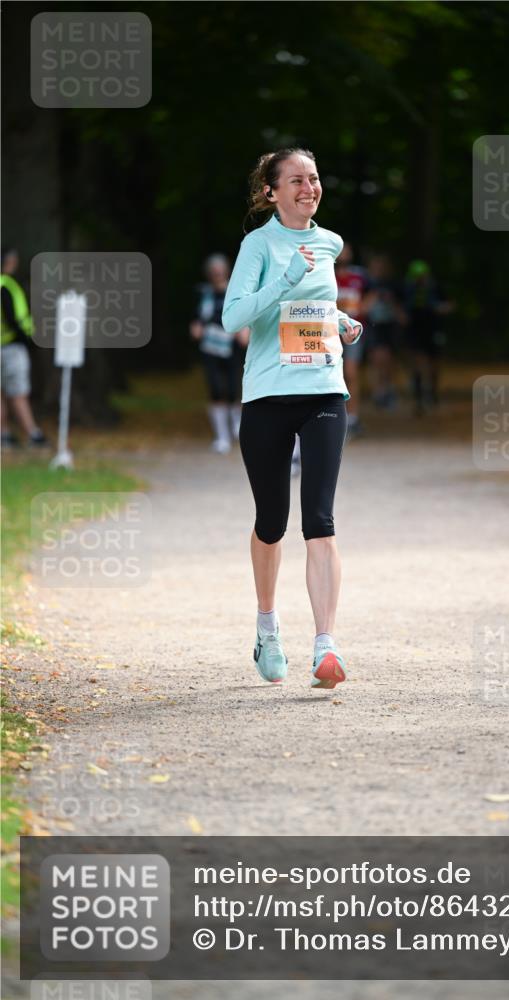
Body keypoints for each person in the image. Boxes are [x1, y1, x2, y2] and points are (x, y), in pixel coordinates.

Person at [222, 148, 363, 689]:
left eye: (315, 178)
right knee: (272, 521)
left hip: (324, 388)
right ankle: (267, 627)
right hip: (267, 395)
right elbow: (235, 315)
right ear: (271, 192)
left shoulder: (329, 243)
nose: (309, 187)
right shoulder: (257, 246)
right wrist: (282, 280)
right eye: (297, 180)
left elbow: (314, 309)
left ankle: (326, 647)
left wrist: (343, 322)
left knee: (320, 521)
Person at [190, 254, 249, 453]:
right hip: (210, 348)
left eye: (220, 271)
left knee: (234, 389)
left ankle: (237, 428)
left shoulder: (236, 293)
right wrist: (196, 327)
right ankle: (221, 436)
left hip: (231, 347)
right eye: (213, 272)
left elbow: (245, 315)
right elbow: (196, 318)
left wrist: (245, 329)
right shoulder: (203, 294)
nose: (217, 275)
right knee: (216, 389)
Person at [1, 248, 48, 449]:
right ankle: (32, 434)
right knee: (18, 393)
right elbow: (13, 318)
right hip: (12, 347)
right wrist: (27, 340)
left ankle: (3, 435)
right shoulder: (6, 285)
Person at [403, 259, 454, 415]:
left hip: (434, 329)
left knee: (434, 362)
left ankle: (432, 392)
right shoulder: (408, 288)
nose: (419, 279)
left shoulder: (435, 287)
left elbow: (450, 304)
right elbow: (398, 304)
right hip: (415, 329)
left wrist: (441, 308)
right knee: (417, 361)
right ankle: (419, 397)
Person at [335, 243, 368, 439]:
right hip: (330, 332)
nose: (344, 254)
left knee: (351, 373)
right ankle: (338, 417)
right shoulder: (327, 273)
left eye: (347, 250)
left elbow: (374, 291)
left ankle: (353, 417)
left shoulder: (360, 275)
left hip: (353, 329)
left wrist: (363, 307)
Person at [364, 253, 405, 410]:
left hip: (389, 325)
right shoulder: (366, 283)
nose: (378, 268)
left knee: (388, 359)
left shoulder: (393, 284)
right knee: (376, 358)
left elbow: (400, 309)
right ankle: (378, 391)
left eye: (381, 265)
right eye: (375, 265)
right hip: (371, 324)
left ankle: (387, 388)